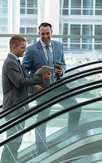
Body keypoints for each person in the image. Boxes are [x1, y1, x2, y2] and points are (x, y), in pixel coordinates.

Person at [22, 22, 81, 154]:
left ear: (51, 32)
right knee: (42, 120)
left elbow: (64, 64)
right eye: (42, 34)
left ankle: (71, 141)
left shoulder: (59, 45)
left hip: (59, 86)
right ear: (39, 34)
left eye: (47, 33)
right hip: (43, 89)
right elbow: (23, 71)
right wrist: (34, 84)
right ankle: (42, 151)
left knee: (76, 108)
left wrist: (62, 71)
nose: (45, 36)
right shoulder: (31, 50)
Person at [0, 35, 51, 163]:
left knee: (15, 142)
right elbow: (19, 82)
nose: (25, 50)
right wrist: (40, 78)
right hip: (14, 108)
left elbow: (18, 84)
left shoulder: (15, 61)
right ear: (14, 47)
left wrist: (33, 86)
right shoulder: (10, 62)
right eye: (22, 48)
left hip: (17, 107)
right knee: (12, 142)